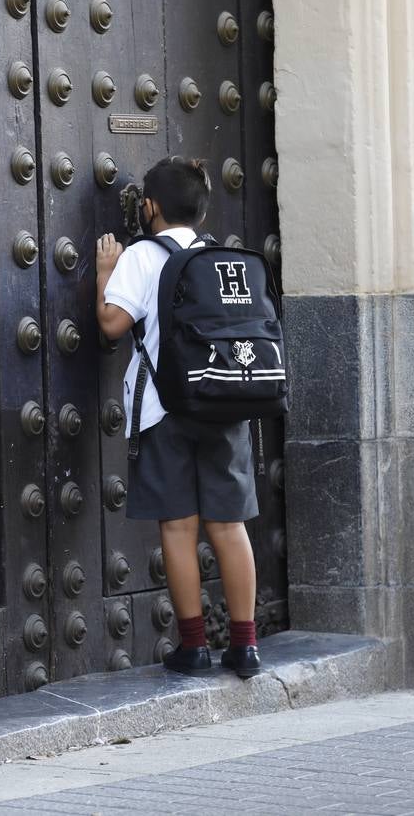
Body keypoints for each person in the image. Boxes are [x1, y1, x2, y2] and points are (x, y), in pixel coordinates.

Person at [94, 156, 262, 679]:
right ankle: (246, 646)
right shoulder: (221, 257)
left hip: (164, 408)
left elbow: (112, 324)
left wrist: (104, 273)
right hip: (224, 402)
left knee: (179, 525)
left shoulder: (143, 256)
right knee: (229, 525)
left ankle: (193, 646)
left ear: (150, 208)